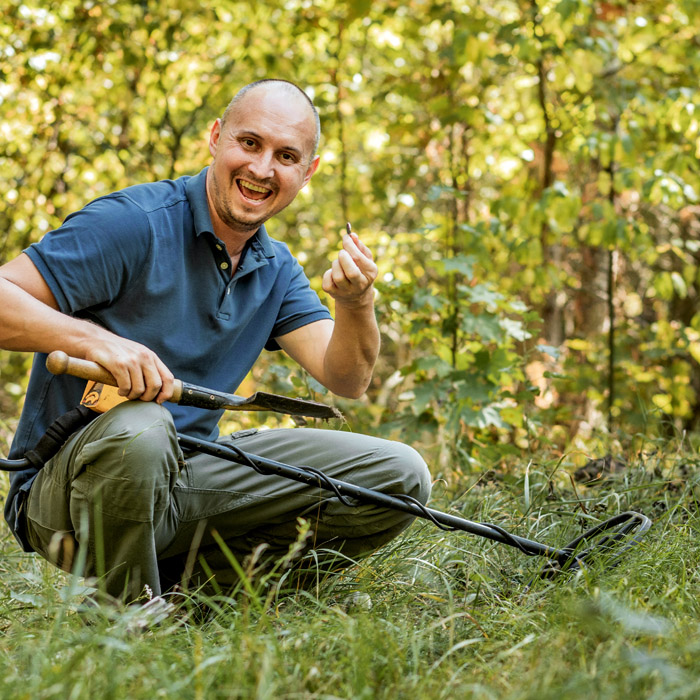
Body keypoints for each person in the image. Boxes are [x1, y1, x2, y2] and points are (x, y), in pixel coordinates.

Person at [0, 79, 431, 603]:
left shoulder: (276, 269)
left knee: (399, 475)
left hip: (183, 475)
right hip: (64, 495)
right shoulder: (133, 223)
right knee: (143, 428)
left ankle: (193, 601)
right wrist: (93, 341)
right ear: (216, 137)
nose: (262, 168)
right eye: (250, 143)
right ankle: (124, 616)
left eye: (286, 155)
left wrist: (356, 302)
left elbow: (347, 377)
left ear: (307, 172)